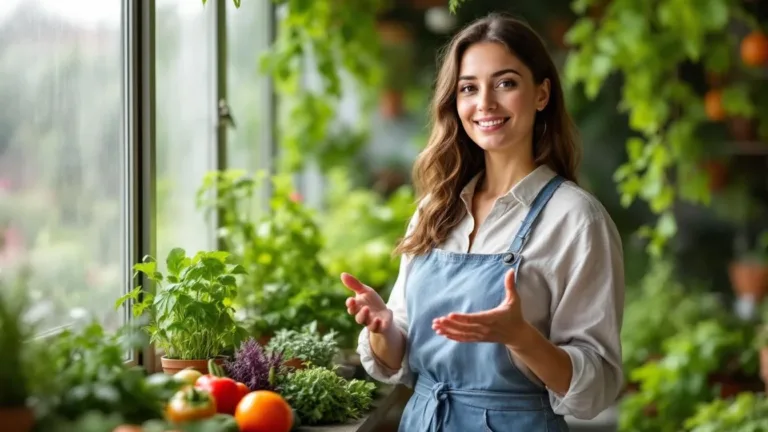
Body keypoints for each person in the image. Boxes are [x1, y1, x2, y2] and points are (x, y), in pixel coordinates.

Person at [341, 13, 624, 432]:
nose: (485, 103)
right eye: (469, 88)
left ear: (542, 93)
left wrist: (521, 336)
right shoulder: (436, 210)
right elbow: (397, 355)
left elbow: (597, 387)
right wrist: (383, 327)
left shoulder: (576, 219)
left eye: (506, 83)